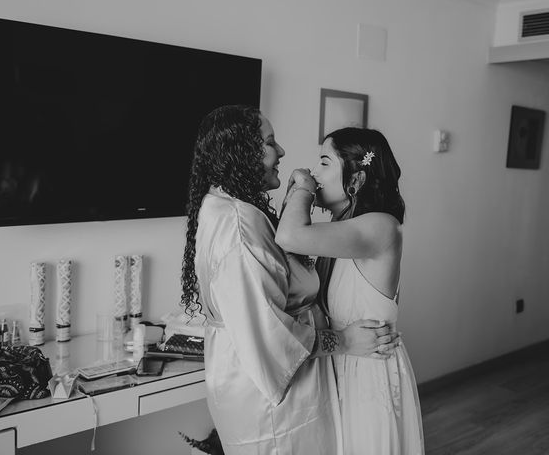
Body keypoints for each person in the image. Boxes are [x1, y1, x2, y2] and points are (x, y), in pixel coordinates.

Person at [180, 105, 398, 455]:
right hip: (271, 404)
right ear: (243, 152)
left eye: (324, 162)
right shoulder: (237, 224)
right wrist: (342, 340)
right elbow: (269, 332)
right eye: (270, 142)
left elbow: (284, 263)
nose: (282, 151)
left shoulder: (233, 209)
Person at [276, 127, 425, 454]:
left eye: (325, 162)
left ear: (356, 178)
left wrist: (302, 186)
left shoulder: (380, 226)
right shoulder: (343, 229)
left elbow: (288, 235)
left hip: (369, 370)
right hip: (343, 359)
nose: (316, 173)